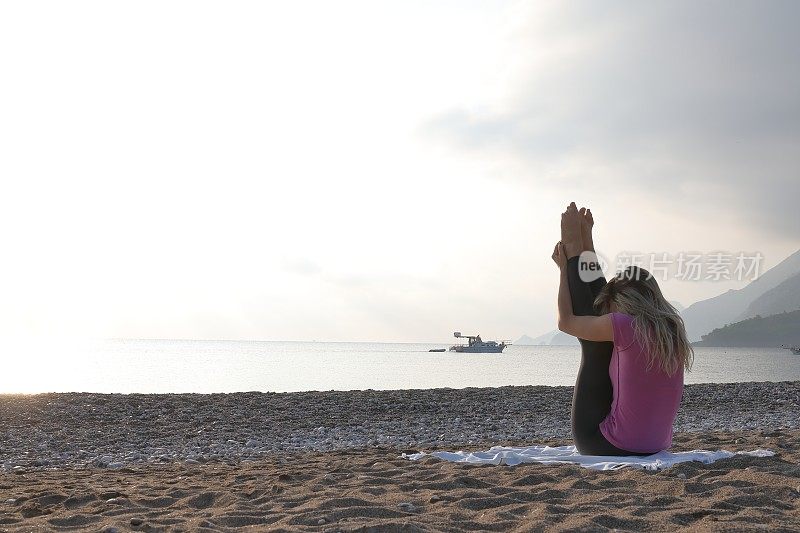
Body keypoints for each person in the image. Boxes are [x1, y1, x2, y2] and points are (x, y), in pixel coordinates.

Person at [551, 202, 693, 456]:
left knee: (594, 346)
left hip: (602, 444)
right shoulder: (673, 331)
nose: (608, 310)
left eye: (612, 304)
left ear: (627, 302)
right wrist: (588, 245)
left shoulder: (625, 325)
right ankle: (583, 251)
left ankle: (576, 254)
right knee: (602, 338)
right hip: (656, 446)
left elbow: (566, 322)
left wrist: (564, 270)